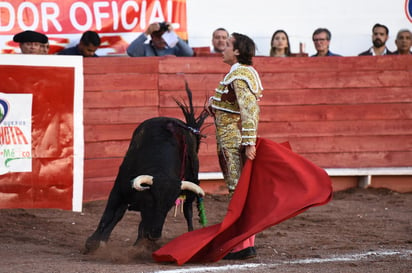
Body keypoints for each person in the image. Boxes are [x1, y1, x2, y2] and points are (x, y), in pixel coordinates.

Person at [208, 32, 263, 260]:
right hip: (229, 137)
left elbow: (250, 111)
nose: (223, 47)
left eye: (228, 44)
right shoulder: (235, 74)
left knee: (237, 193)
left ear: (238, 51)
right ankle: (246, 243)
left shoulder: (239, 75)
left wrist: (249, 142)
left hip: (232, 139)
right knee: (238, 192)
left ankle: (242, 245)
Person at [127, 22, 193, 57]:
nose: (162, 39)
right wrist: (146, 33)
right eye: (158, 36)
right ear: (152, 37)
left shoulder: (173, 49)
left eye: (165, 36)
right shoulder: (145, 49)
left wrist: (173, 34)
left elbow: (189, 53)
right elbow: (130, 51)